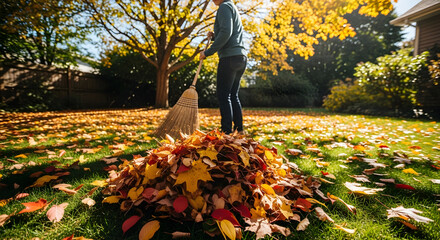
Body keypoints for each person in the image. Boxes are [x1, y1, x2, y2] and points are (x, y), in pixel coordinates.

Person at [200, 0, 247, 135]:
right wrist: (214, 36)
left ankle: (226, 132)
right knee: (233, 95)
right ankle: (239, 130)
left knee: (223, 95)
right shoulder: (232, 7)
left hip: (229, 58)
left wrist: (207, 52)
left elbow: (226, 31)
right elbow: (229, 33)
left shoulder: (224, 7)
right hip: (240, 57)